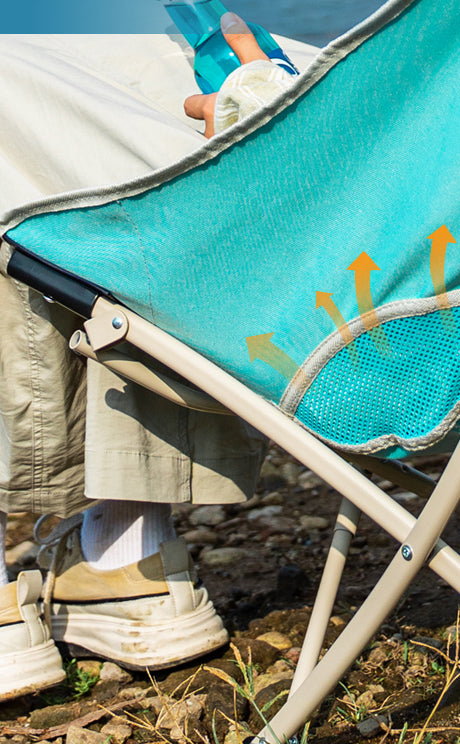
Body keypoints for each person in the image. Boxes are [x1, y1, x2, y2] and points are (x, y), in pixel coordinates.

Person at [0, 14, 298, 700]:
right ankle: (128, 552)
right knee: (159, 75)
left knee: (34, 99)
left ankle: (103, 568)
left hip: (329, 341)